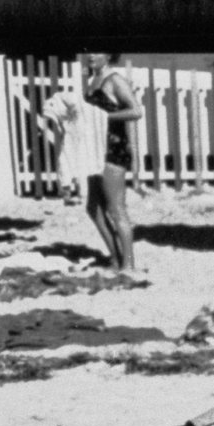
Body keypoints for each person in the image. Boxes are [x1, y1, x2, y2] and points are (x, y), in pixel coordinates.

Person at [80, 53, 143, 275]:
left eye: (96, 52)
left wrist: (102, 117)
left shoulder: (115, 80)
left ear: (108, 55)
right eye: (88, 52)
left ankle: (128, 265)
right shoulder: (91, 80)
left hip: (113, 149)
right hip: (94, 149)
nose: (90, 56)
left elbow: (136, 111)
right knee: (93, 208)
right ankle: (116, 259)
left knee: (116, 209)